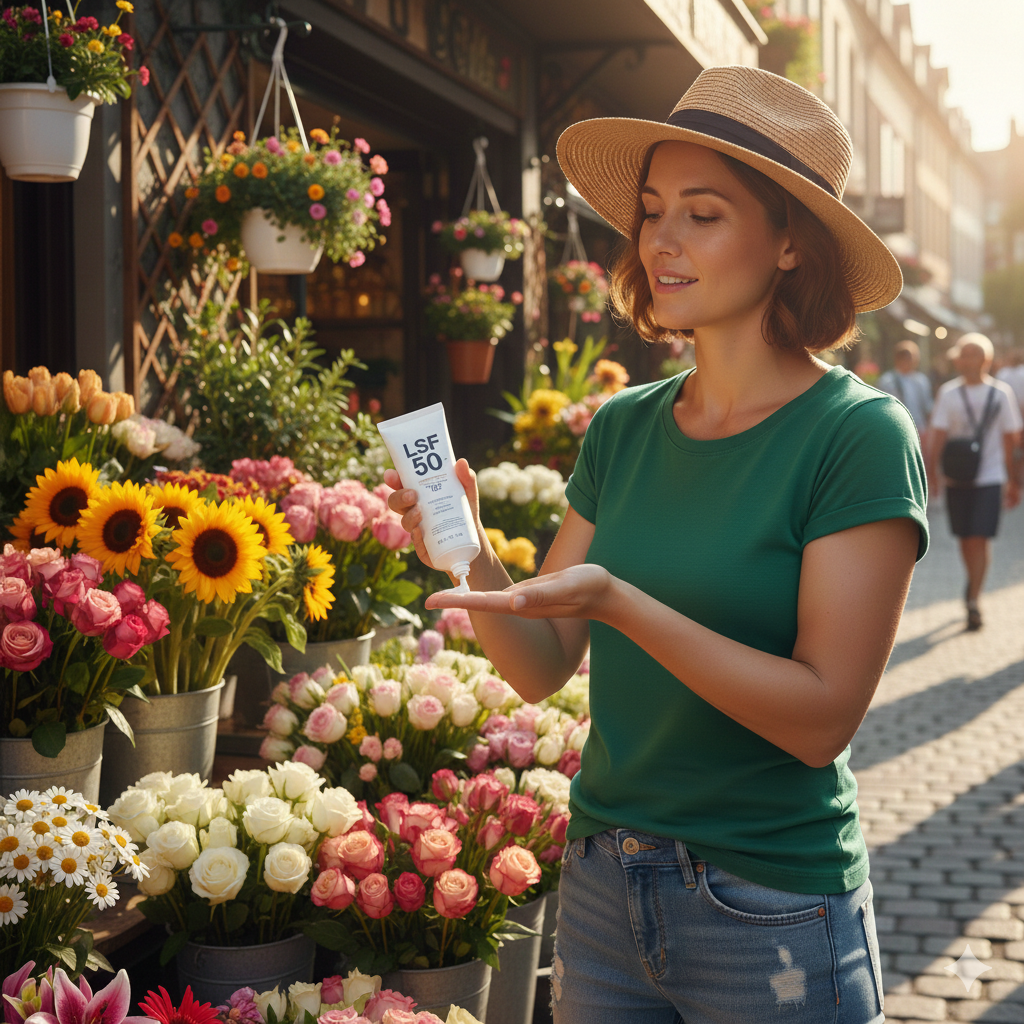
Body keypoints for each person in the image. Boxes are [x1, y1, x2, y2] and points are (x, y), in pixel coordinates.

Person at [389, 66, 927, 1022]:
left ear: (791, 243)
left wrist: (619, 603)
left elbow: (821, 718)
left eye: (704, 214)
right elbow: (542, 664)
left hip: (771, 911)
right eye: (650, 210)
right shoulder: (623, 427)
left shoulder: (856, 435)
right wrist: (468, 551)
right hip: (602, 890)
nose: (661, 241)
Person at [929, 334, 1022, 630]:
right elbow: (938, 435)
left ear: (987, 360)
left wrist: (1014, 480)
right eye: (963, 354)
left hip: (990, 477)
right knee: (965, 539)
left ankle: (973, 598)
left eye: (973, 354)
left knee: (979, 538)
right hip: (958, 479)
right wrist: (931, 472)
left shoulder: (1001, 392)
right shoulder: (949, 393)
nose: (966, 359)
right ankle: (973, 585)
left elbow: (1011, 440)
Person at [877, 339, 933, 434]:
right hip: (895, 429)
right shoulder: (887, 381)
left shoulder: (921, 381)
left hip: (919, 430)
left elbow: (928, 408)